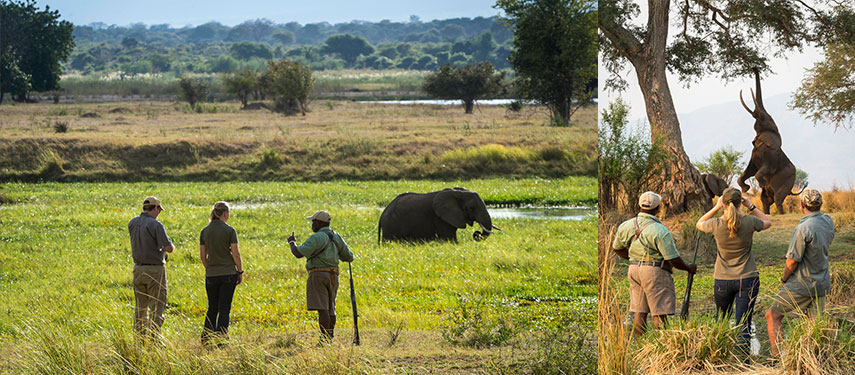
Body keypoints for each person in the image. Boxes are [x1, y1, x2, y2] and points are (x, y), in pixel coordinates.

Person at [696, 187, 771, 353]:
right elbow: (768, 222)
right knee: (743, 322)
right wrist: (751, 206)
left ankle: (719, 354)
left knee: (721, 320)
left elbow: (699, 223)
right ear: (740, 203)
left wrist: (716, 207)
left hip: (722, 279)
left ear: (724, 203)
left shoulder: (716, 224)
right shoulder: (750, 222)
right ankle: (743, 360)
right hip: (747, 278)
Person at [611, 191, 697, 336]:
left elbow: (616, 249)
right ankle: (661, 348)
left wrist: (634, 259)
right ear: (658, 208)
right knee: (659, 312)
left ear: (639, 205)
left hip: (633, 270)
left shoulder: (626, 225)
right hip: (654, 272)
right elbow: (672, 259)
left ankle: (641, 346)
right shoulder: (660, 230)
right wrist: (688, 268)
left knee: (640, 312)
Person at [765, 189, 834, 356]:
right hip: (822, 282)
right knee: (814, 324)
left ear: (802, 205)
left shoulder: (803, 228)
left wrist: (784, 279)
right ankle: (813, 359)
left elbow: (792, 261)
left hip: (802, 284)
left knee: (772, 316)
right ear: (821, 204)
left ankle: (778, 357)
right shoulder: (828, 221)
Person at [288, 210, 354, 342]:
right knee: (331, 307)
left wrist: (292, 243)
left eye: (313, 221)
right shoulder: (336, 237)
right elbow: (349, 257)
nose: (312, 224)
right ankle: (330, 335)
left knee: (322, 308)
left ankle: (325, 338)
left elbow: (298, 253)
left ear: (318, 223)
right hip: (334, 275)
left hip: (318, 274)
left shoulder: (316, 237)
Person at [128, 196, 174, 338]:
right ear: (155, 208)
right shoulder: (156, 225)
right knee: (157, 305)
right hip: (155, 270)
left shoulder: (132, 222)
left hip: (138, 269)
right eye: (159, 209)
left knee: (140, 307)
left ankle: (140, 338)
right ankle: (154, 338)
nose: (159, 212)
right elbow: (169, 248)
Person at [199, 201, 244, 345]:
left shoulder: (204, 231)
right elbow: (236, 254)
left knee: (212, 307)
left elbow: (202, 255)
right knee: (224, 308)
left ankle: (206, 336)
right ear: (225, 213)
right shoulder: (230, 230)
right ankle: (221, 338)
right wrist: (240, 271)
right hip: (228, 274)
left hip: (211, 274)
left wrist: (210, 267)